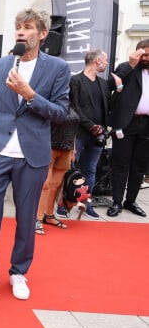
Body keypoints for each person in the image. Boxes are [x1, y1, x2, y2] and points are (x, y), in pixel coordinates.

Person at [0, 9, 70, 301]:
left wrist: (30, 94)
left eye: (28, 27)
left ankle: (19, 272)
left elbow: (60, 114)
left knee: (25, 218)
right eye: (18, 27)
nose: (21, 31)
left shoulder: (57, 68)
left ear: (42, 34)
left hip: (33, 155)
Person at [55, 49, 114, 220]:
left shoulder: (103, 84)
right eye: (105, 60)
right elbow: (75, 107)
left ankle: (86, 203)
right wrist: (90, 126)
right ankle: (63, 205)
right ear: (96, 61)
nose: (106, 63)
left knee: (91, 169)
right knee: (70, 169)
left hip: (98, 135)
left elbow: (108, 108)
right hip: (78, 133)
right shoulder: (75, 80)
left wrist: (102, 128)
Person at [107, 39, 149, 218]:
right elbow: (109, 85)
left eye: (148, 54)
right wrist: (130, 65)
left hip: (146, 125)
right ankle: (117, 201)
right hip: (126, 124)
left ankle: (130, 201)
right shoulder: (127, 68)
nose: (145, 57)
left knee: (139, 166)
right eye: (142, 54)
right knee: (120, 164)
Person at [34, 89, 80, 235]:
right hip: (49, 147)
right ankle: (37, 219)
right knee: (45, 185)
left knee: (55, 185)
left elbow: (74, 129)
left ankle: (49, 215)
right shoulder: (49, 102)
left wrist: (73, 149)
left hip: (66, 149)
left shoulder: (73, 105)